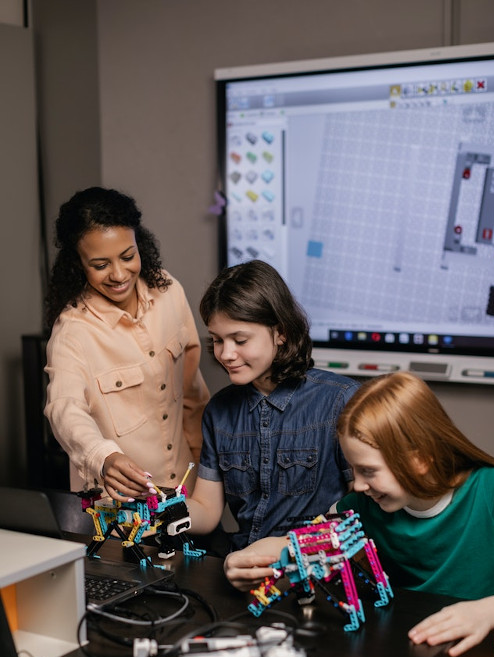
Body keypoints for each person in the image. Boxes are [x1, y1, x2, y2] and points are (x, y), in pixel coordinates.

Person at [331, 371, 494, 657]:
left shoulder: (492, 489)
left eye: (368, 471)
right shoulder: (363, 504)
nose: (357, 485)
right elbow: (320, 536)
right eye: (354, 471)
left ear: (420, 460)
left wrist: (488, 611)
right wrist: (270, 550)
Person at [185, 260, 360, 584]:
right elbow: (207, 512)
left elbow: (362, 515)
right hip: (245, 572)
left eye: (239, 340)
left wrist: (289, 548)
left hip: (320, 576)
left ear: (280, 332)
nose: (225, 354)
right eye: (217, 340)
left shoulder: (341, 400)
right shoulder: (219, 411)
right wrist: (158, 512)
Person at [44, 186, 210, 501]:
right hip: (122, 512)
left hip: (188, 492)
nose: (119, 274)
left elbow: (192, 394)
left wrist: (211, 473)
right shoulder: (72, 332)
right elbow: (64, 409)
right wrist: (103, 455)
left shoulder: (169, 291)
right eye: (100, 264)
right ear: (78, 263)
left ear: (139, 245)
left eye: (127, 256)